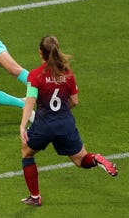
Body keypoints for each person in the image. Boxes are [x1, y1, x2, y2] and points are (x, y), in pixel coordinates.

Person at [19, 36, 117, 207]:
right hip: (65, 123)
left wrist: (22, 125)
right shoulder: (67, 74)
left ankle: (35, 197)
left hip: (44, 125)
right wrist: (62, 112)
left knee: (27, 153)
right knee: (81, 160)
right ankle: (96, 158)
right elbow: (75, 101)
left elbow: (30, 101)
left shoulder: (35, 75)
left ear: (40, 53)